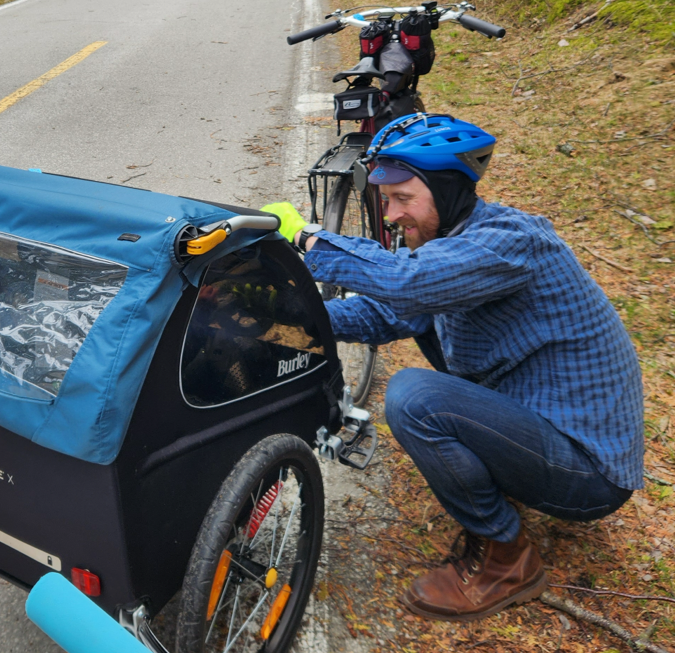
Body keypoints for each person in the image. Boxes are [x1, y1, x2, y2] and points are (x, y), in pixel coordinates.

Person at [263, 114, 644, 621]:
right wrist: (274, 324)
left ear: (447, 190)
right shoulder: (451, 250)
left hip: (589, 470)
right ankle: (502, 510)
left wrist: (305, 239)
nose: (393, 215)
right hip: (541, 428)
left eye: (403, 198)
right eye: (386, 200)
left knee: (415, 398)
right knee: (421, 373)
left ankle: (509, 560)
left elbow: (406, 285)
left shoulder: (509, 241)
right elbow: (382, 313)